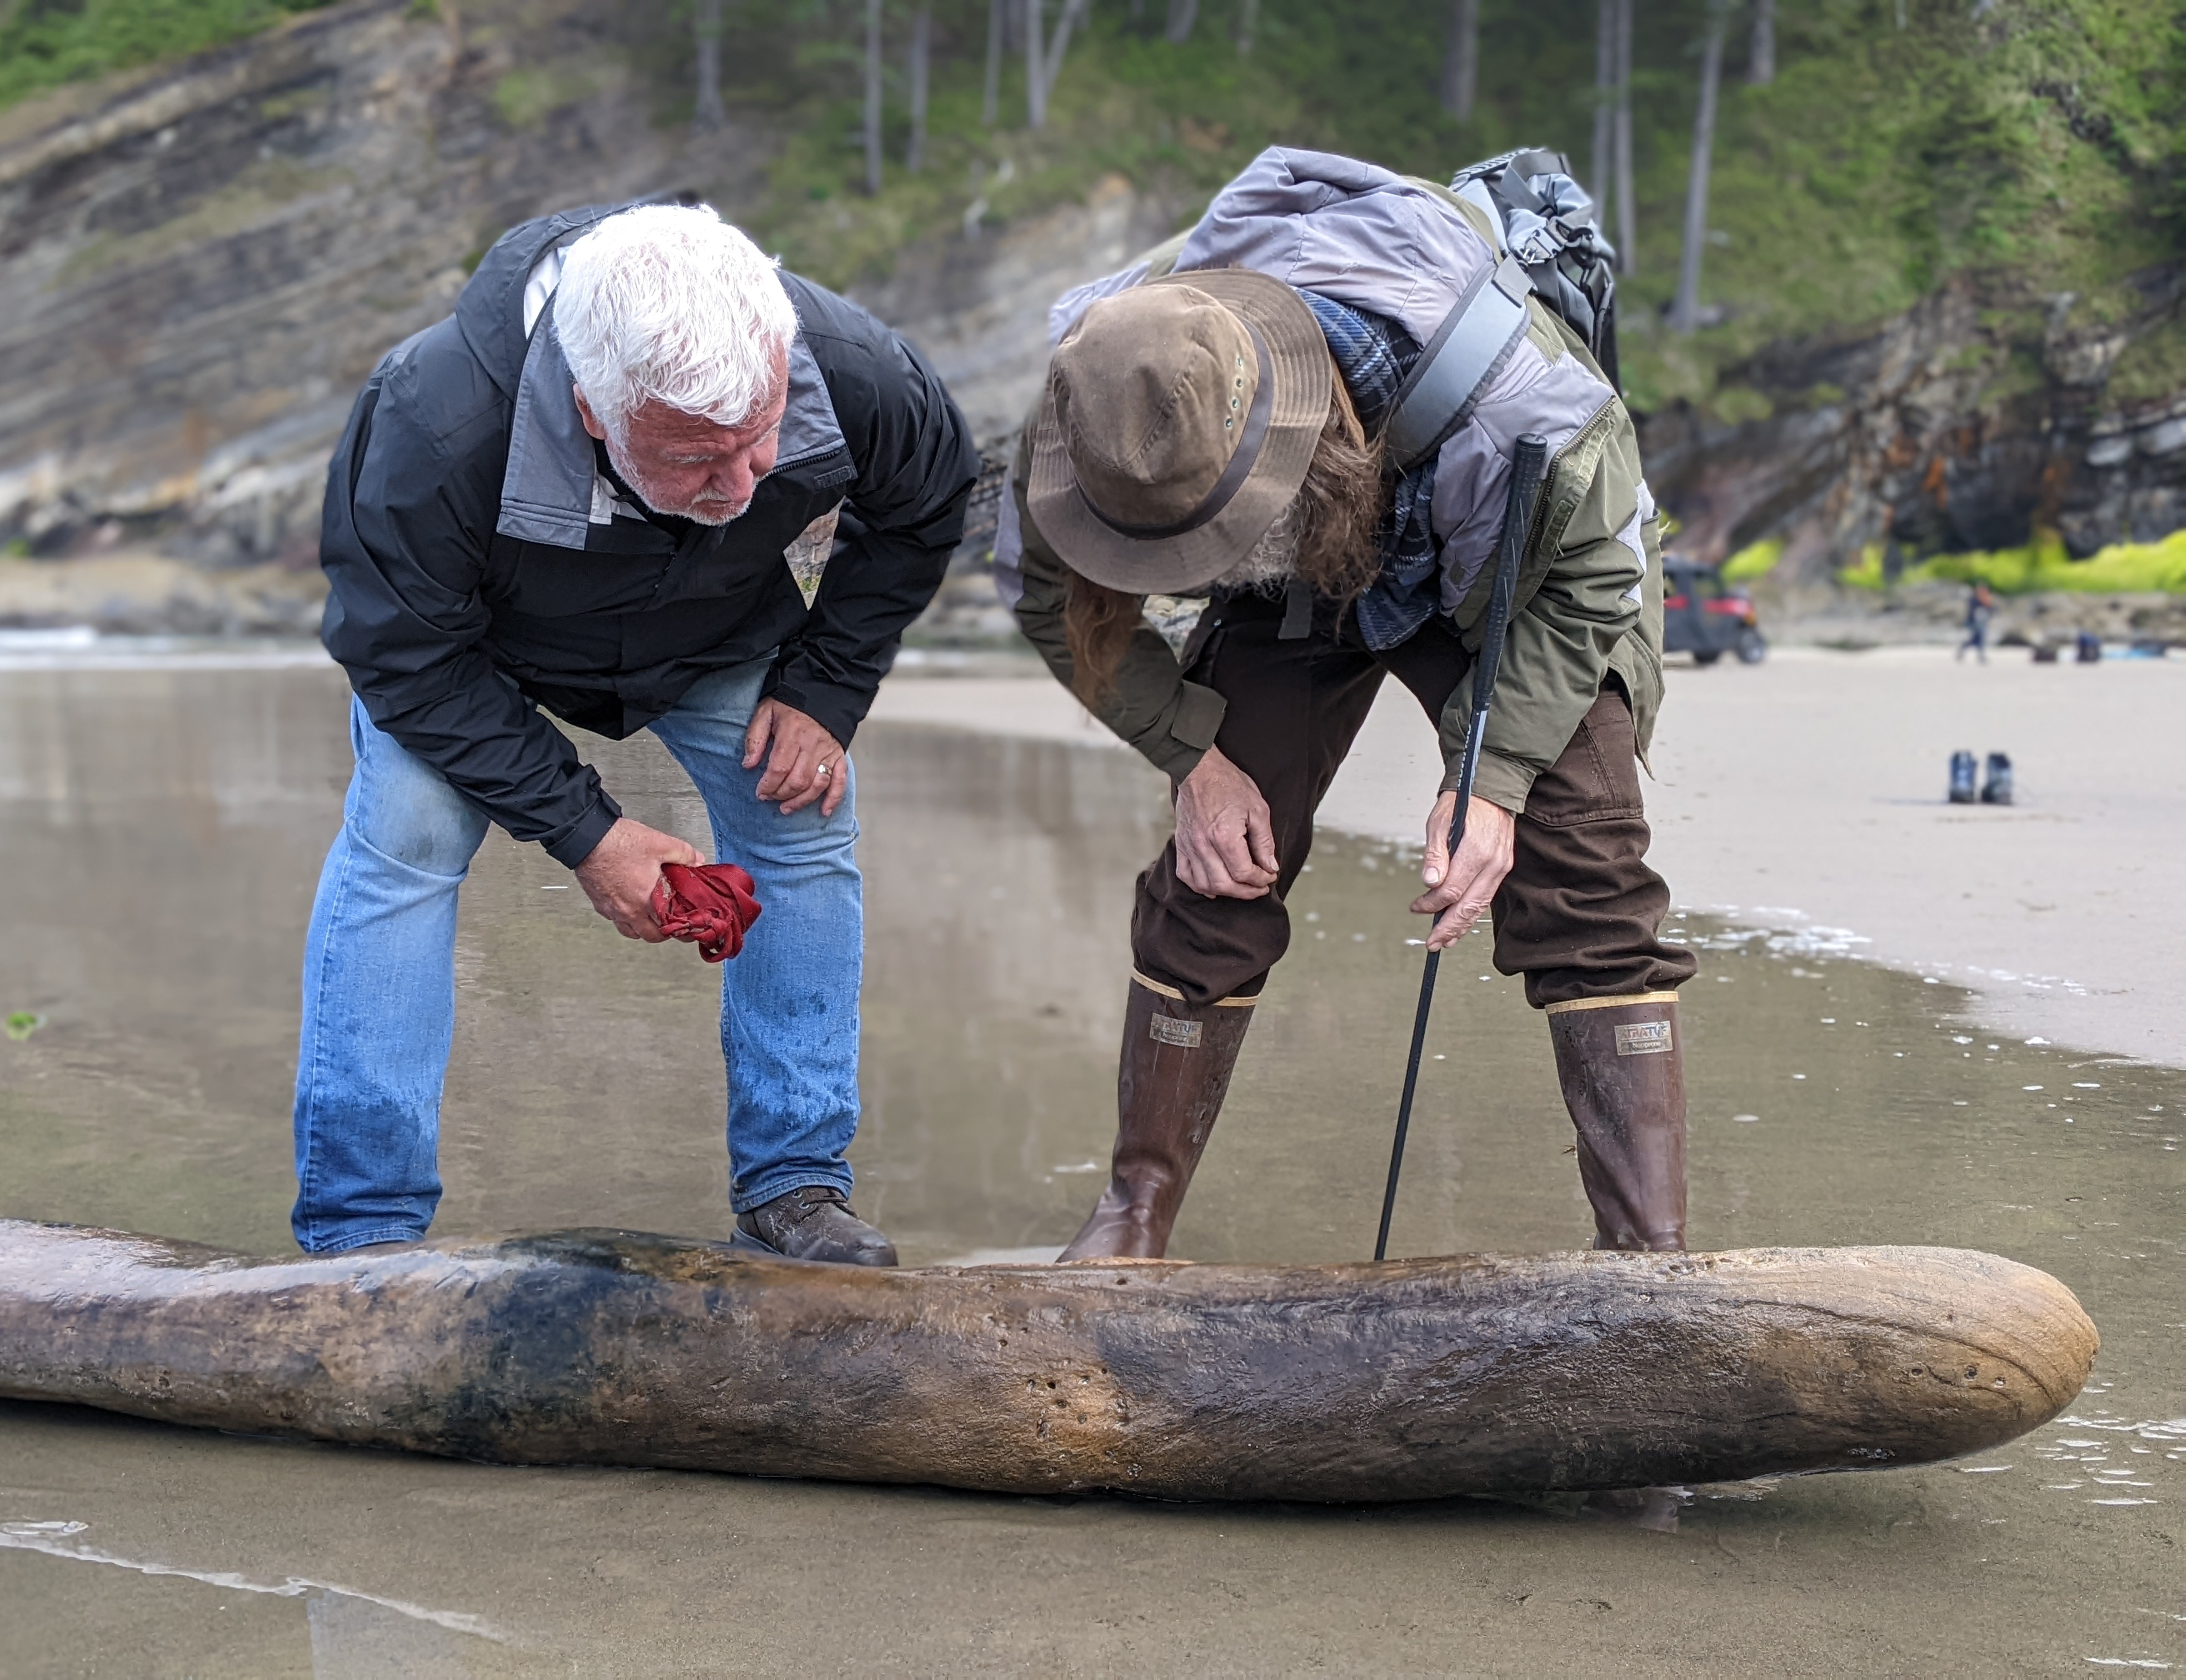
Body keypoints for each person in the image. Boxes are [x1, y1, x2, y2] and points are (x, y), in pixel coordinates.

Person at [999, 148, 1696, 1261]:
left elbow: (1594, 582)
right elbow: (1046, 592)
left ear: (1286, 456)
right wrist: (1194, 757)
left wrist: (1495, 777)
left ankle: (1649, 1252)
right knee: (1219, 865)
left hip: (1511, 567)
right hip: (1299, 581)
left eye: (1201, 538)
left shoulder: (1527, 406)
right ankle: (1132, 1216)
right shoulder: (1104, 403)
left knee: (1587, 866)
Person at [302, 203, 978, 1264]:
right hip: (477, 652)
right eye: (697, 459)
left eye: (759, 439)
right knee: (406, 841)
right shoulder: (435, 421)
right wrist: (591, 834)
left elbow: (928, 500)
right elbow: (404, 655)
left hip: (716, 631)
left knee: (799, 815)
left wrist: (827, 687)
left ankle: (794, 1188)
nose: (746, 482)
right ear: (592, 409)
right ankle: (361, 1230)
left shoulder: (849, 367)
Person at [1958, 581, 1994, 663]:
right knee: (1976, 640)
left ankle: (1980, 655)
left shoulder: (1985, 599)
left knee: (1978, 640)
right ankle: (1980, 656)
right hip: (1974, 623)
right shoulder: (1974, 600)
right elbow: (1972, 612)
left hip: (1982, 623)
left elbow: (1991, 610)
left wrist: (1988, 606)